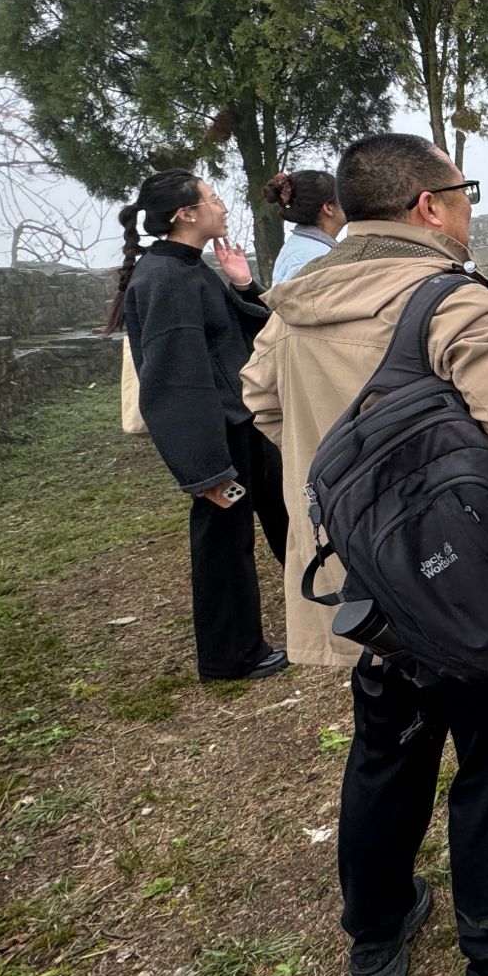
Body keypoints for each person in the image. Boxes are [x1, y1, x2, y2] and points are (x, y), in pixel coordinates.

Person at [240, 132, 488, 976]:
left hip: (364, 587)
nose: (470, 208)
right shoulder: (447, 299)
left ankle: (377, 932)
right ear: (429, 205)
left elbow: (262, 402)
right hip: (467, 583)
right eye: (464, 190)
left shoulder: (294, 306)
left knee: (387, 748)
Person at [107, 170, 289, 682]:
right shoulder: (164, 278)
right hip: (217, 437)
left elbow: (253, 329)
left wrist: (242, 283)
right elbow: (172, 381)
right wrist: (206, 470)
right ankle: (231, 656)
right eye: (212, 198)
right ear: (186, 214)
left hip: (242, 423)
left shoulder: (190, 268)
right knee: (224, 545)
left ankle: (322, 603)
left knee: (284, 515)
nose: (222, 206)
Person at [265, 169, 347, 284]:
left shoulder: (304, 247)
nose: (349, 202)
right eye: (342, 197)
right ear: (328, 208)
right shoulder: (314, 257)